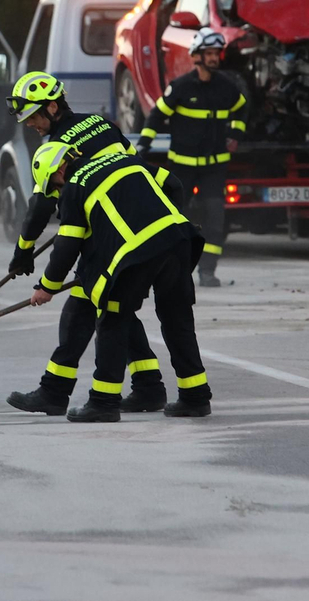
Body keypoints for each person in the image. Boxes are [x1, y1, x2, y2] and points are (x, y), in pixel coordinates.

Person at [1, 71, 166, 415]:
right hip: (130, 228)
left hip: (105, 238)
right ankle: (149, 386)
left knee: (80, 313)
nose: (29, 124)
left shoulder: (57, 148)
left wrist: (23, 252)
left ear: (51, 107)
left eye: (32, 116)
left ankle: (54, 393)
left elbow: (41, 206)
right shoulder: (102, 124)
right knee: (115, 310)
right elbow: (136, 168)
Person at [28, 142, 213, 421]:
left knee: (112, 320)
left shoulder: (75, 186)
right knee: (178, 320)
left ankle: (103, 403)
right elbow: (173, 183)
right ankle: (195, 398)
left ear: (58, 171)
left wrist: (47, 287)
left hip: (136, 255)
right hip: (178, 240)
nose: (57, 191)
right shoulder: (123, 160)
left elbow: (67, 245)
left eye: (54, 186)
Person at [137, 27, 247, 287]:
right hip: (182, 168)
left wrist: (235, 135)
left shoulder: (226, 87)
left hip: (214, 168)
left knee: (214, 219)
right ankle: (174, 270)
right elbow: (156, 116)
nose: (214, 58)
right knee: (176, 219)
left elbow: (242, 109)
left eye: (216, 53)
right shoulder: (181, 87)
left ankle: (207, 271)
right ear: (196, 56)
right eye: (209, 53)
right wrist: (143, 146)